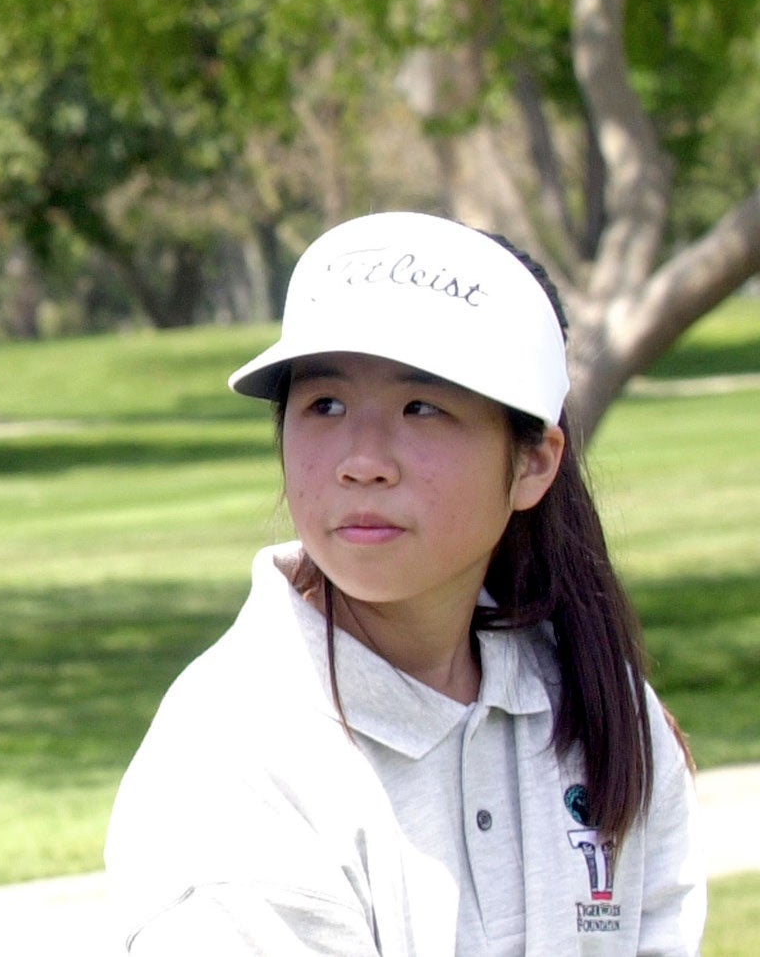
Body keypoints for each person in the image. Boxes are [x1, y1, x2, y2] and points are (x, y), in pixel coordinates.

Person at [103, 212, 704, 955]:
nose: (362, 461)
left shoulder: (601, 707)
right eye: (325, 405)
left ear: (534, 462)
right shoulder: (229, 764)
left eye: (423, 408)